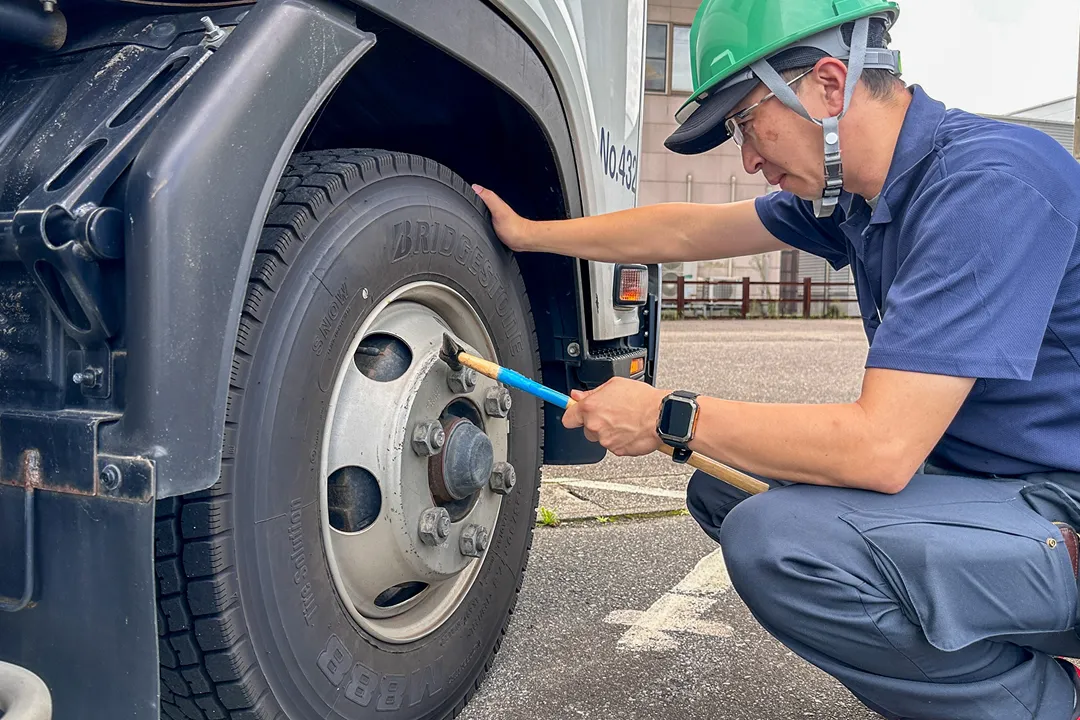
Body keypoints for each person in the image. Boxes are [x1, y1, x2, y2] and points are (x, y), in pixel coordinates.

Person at [471, 0, 1080, 717]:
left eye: (748, 122)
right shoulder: (861, 196)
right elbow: (685, 230)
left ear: (828, 84)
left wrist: (670, 415)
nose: (750, 160)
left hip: (1058, 500)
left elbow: (881, 449)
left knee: (777, 539)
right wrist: (533, 233)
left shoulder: (987, 185)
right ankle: (998, 644)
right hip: (993, 490)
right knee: (727, 485)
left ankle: (1041, 703)